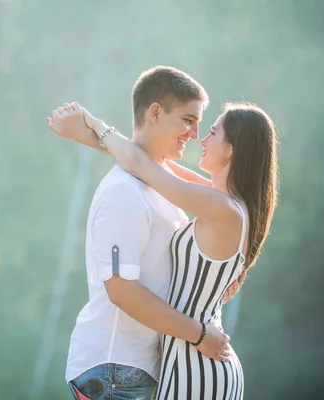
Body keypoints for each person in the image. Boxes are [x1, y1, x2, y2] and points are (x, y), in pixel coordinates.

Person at [49, 94, 278, 398]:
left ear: (233, 148)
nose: (202, 138)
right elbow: (154, 166)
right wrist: (92, 140)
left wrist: (95, 125)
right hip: (195, 359)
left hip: (197, 363)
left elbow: (145, 167)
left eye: (212, 132)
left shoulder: (220, 208)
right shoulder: (230, 206)